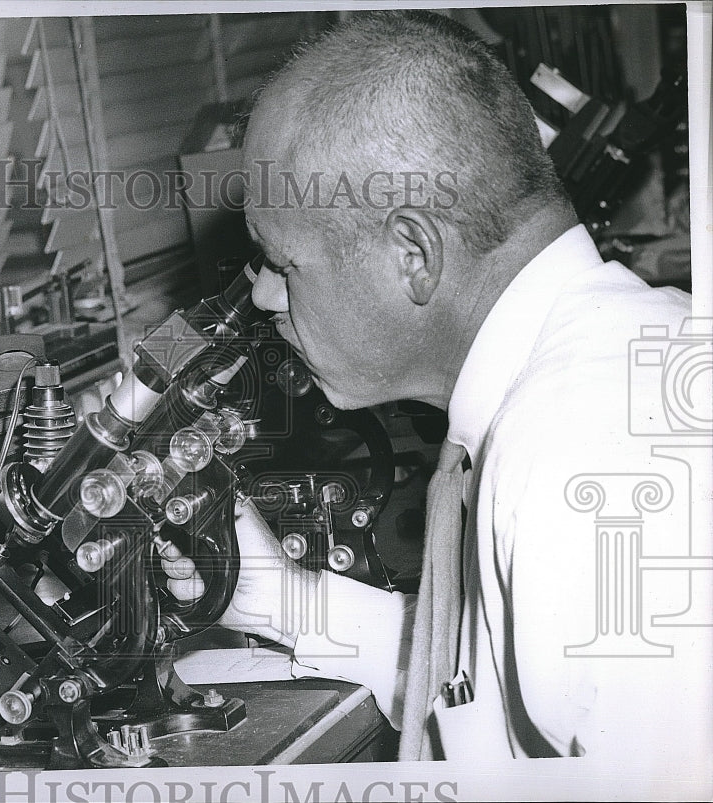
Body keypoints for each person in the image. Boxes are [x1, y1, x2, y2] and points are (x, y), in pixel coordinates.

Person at [203, 10, 712, 766]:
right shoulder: (586, 369)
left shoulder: (590, 463)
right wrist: (280, 598)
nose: (267, 300)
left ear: (413, 254)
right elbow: (492, 695)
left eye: (282, 264)